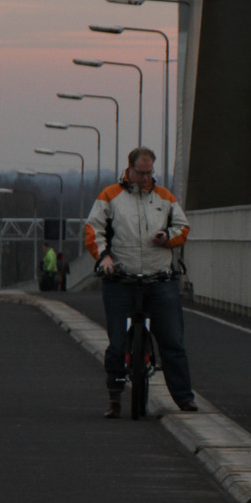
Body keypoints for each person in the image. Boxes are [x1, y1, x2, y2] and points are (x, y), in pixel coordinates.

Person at [84, 146, 198, 419]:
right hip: (121, 278)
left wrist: (167, 236)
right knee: (117, 343)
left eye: (150, 173)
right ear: (130, 169)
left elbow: (183, 227)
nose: (146, 178)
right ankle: (114, 398)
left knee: (172, 341)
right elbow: (93, 229)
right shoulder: (110, 196)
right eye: (141, 172)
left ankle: (184, 397)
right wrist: (104, 257)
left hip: (159, 278)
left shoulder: (164, 197)